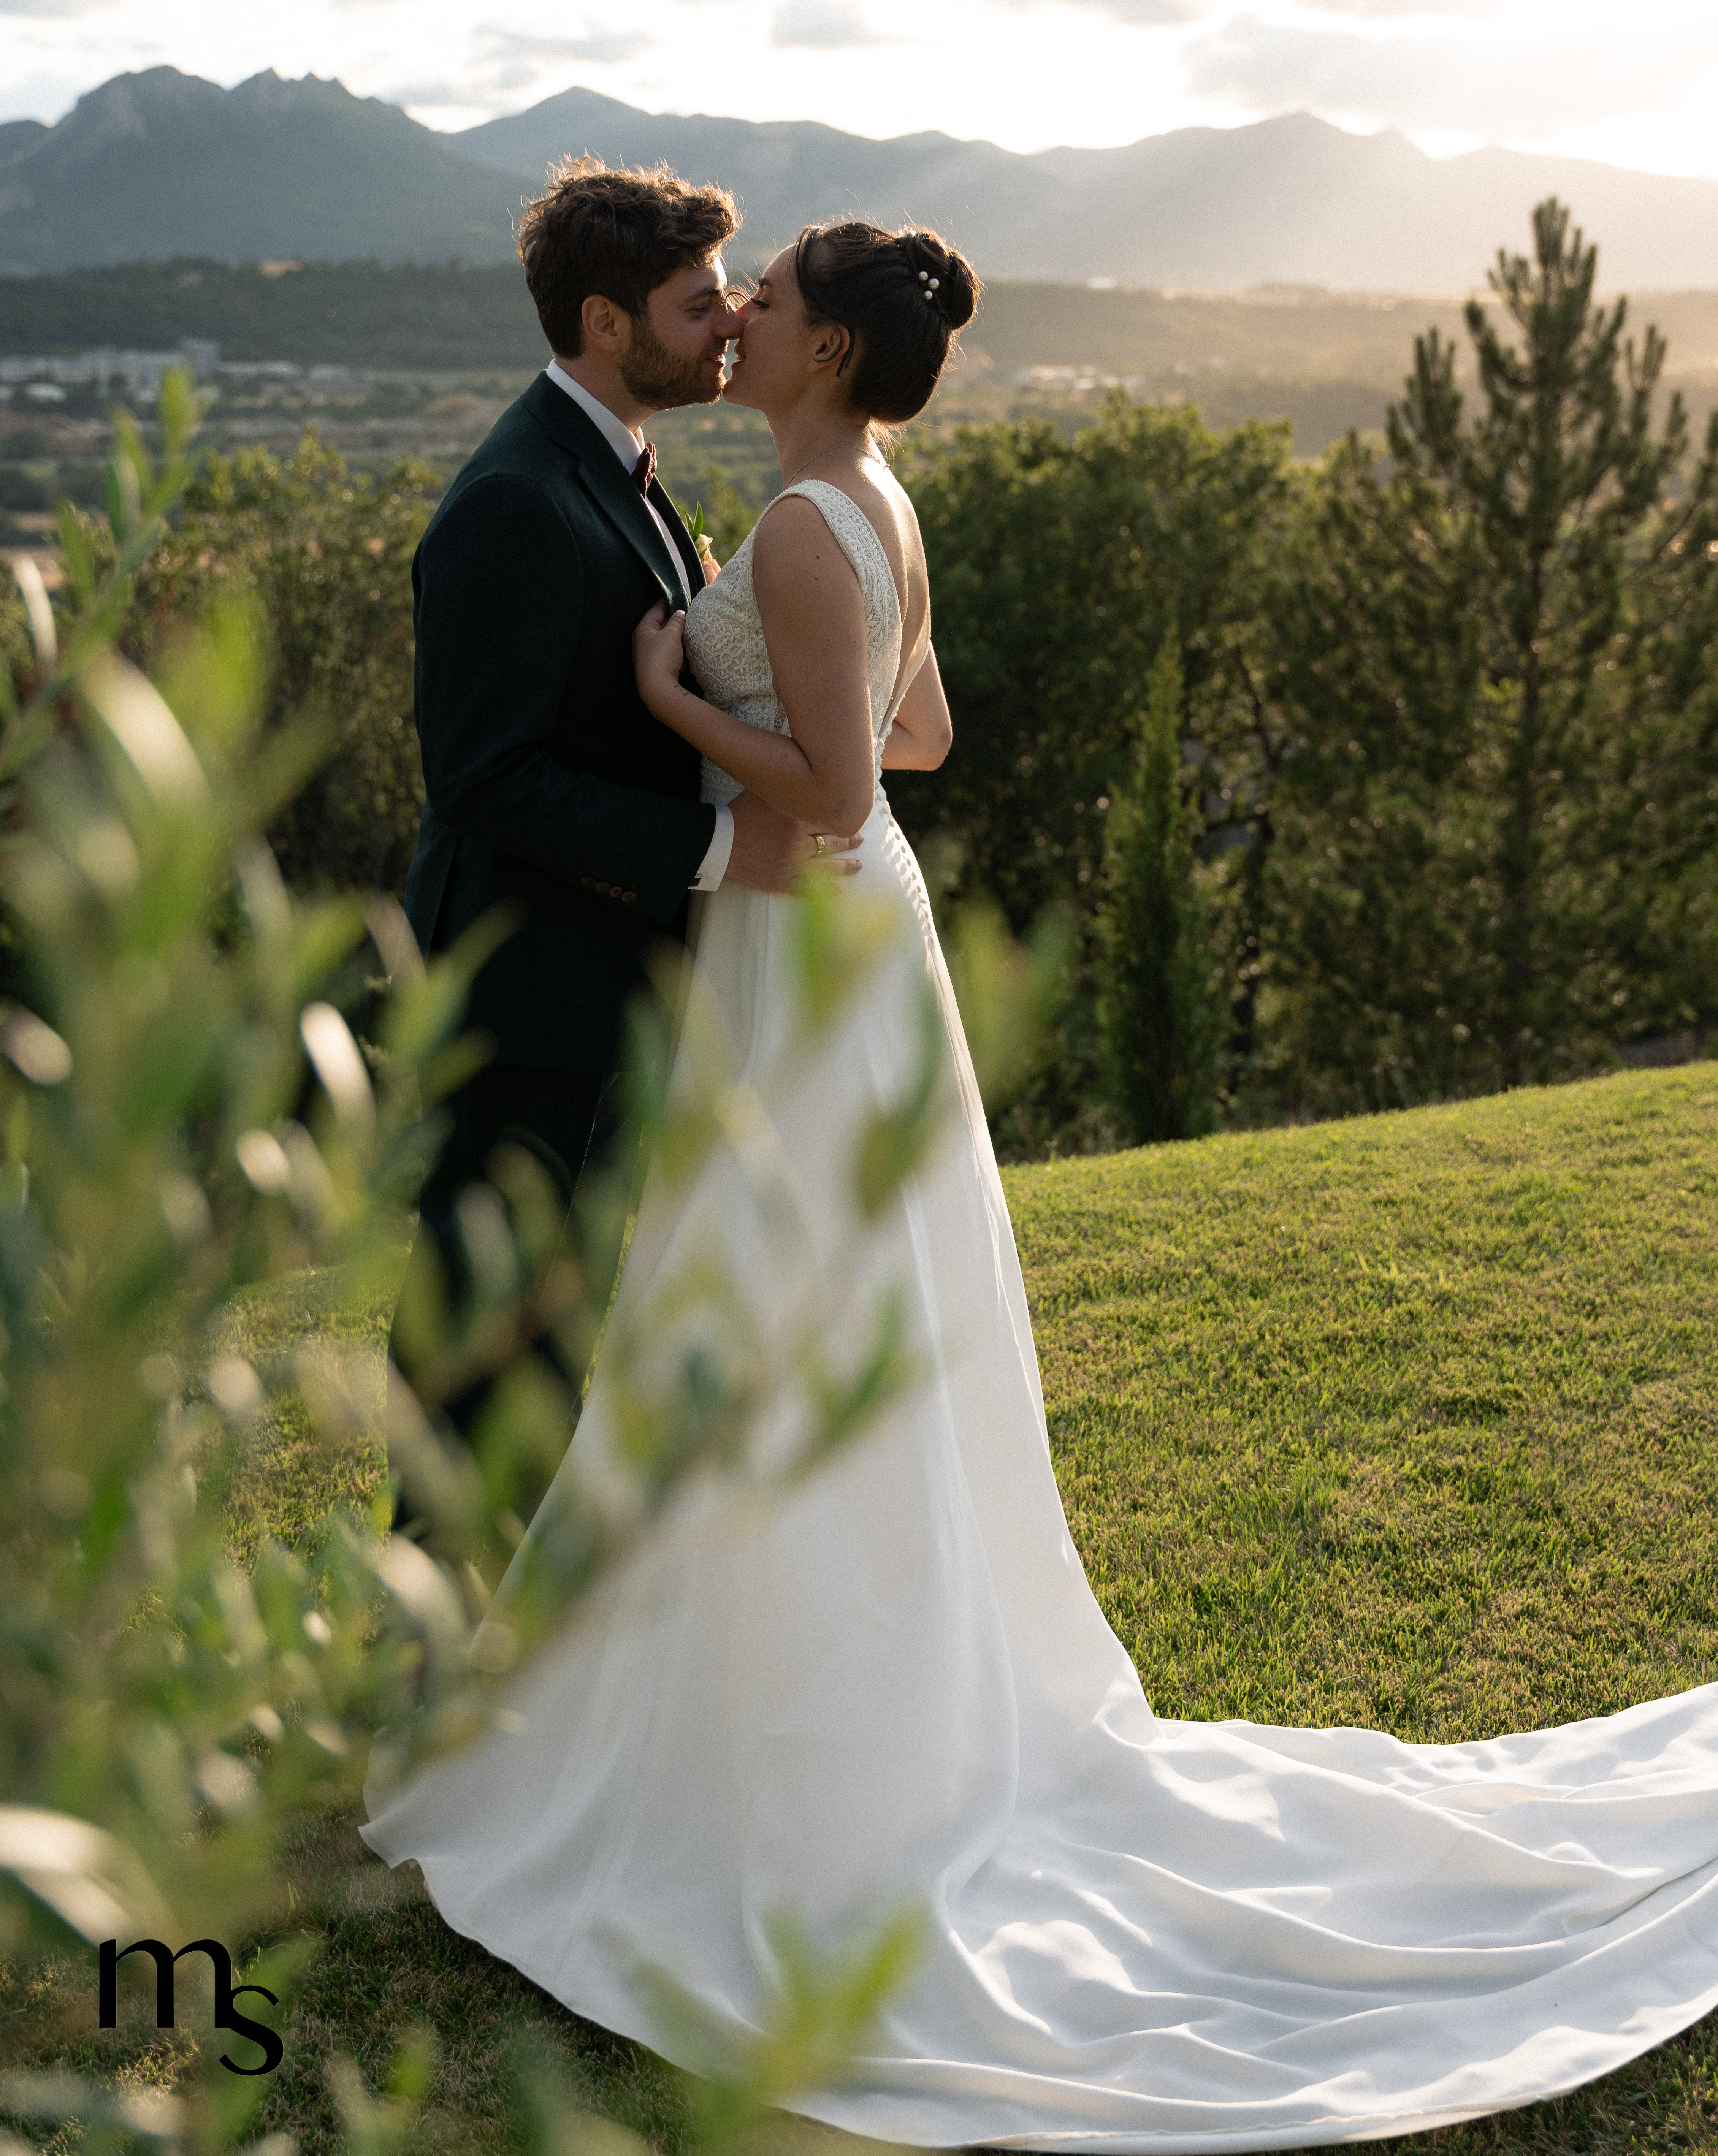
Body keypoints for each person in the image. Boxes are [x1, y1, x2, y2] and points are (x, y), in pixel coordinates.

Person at [366, 219, 1718, 2150]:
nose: (731, 320)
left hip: (800, 931)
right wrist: (752, 742)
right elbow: (917, 736)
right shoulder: (861, 502)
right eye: (705, 298)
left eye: (755, 304)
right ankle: (683, 1687)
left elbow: (834, 790)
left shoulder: (814, 523)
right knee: (776, 1313)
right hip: (822, 940)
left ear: (822, 346)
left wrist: (676, 696)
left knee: (771, 1308)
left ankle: (762, 1735)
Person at [390, 157, 859, 1446]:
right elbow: (484, 779)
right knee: (485, 1362)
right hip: (522, 1003)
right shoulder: (512, 501)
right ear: (607, 323)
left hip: (597, 990)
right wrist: (719, 847)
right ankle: (442, 1639)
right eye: (700, 302)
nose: (731, 325)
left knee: (557, 1346)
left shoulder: (621, 466)